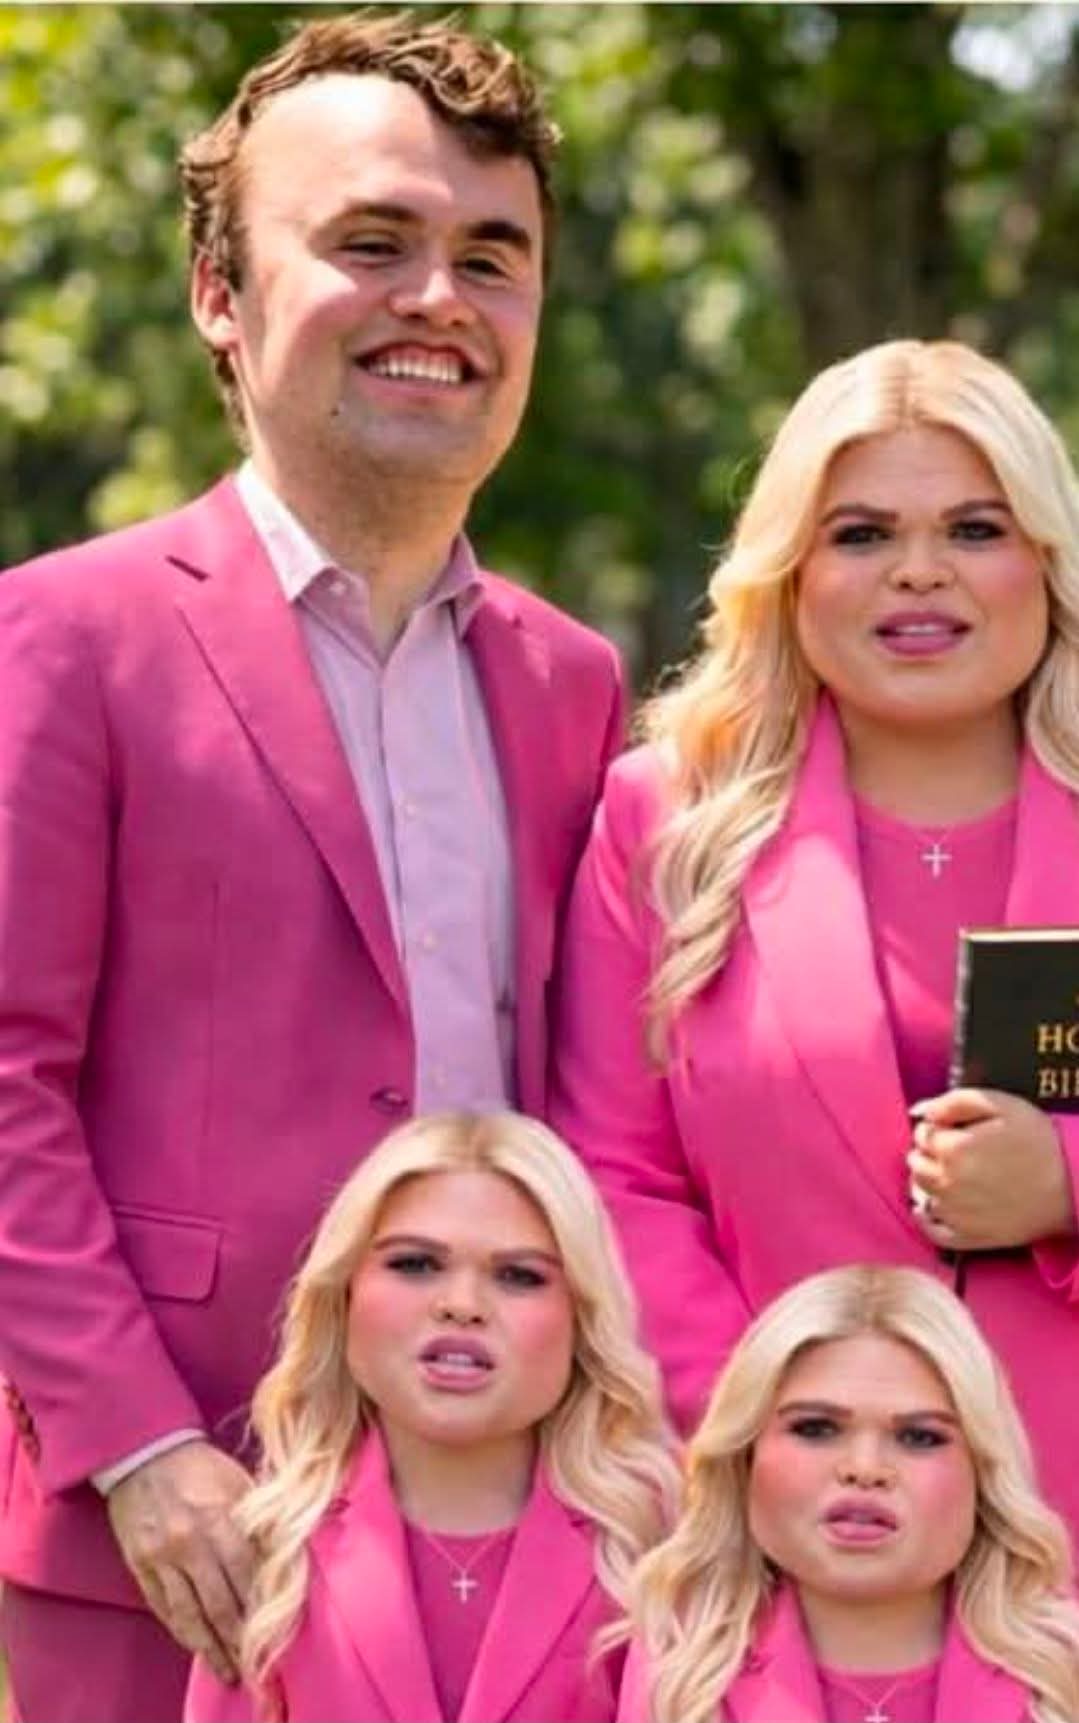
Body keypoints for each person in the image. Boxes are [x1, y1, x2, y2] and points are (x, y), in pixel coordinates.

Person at [0, 14, 625, 1722]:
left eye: (488, 257)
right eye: (370, 241)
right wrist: (135, 1445)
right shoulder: (60, 636)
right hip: (169, 1530)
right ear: (220, 293)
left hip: (513, 1558)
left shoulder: (573, 684)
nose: (438, 297)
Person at [550, 338, 1079, 1545]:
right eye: (859, 534)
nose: (918, 572)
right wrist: (768, 1448)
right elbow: (615, 1178)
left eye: (974, 529)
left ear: (1044, 561)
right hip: (777, 1539)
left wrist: (1062, 1180)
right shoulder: (662, 819)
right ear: (788, 573)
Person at [183, 1111, 677, 1723]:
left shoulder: (655, 1548)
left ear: (582, 1320)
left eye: (519, 1276)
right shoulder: (269, 1551)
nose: (462, 1305)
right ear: (343, 1297)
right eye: (415, 1264)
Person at [618, 1264, 1079, 1723]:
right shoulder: (678, 1668)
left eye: (919, 1437)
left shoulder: (1063, 1671)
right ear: (743, 1456)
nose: (865, 1469)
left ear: (983, 1473)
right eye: (816, 1429)